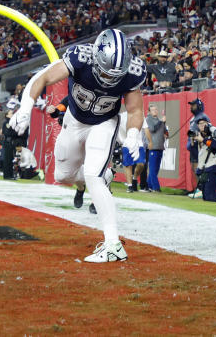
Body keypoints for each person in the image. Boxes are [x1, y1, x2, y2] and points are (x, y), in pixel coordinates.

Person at [10, 28, 146, 262]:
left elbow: (134, 110)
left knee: (94, 174)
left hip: (104, 122)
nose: (111, 79)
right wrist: (25, 107)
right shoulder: (80, 56)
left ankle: (113, 245)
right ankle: (101, 177)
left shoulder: (134, 71)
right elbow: (42, 77)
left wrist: (133, 133)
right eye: (107, 72)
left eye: (116, 75)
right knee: (63, 176)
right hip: (74, 120)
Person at [194, 117, 216, 202]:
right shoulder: (198, 136)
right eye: (200, 124)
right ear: (198, 126)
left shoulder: (214, 133)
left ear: (208, 124)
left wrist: (203, 140)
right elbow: (191, 150)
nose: (202, 125)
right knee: (205, 196)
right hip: (204, 169)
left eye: (204, 123)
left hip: (212, 167)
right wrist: (193, 141)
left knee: (210, 196)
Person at [187, 99, 210, 196]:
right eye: (191, 105)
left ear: (199, 106)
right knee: (194, 167)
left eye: (193, 105)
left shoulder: (202, 117)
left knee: (198, 168)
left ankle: (201, 189)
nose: (191, 107)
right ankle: (199, 189)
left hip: (199, 146)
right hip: (193, 146)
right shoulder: (194, 118)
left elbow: (206, 131)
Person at [145, 104, 167, 192]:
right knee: (153, 168)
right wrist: (162, 122)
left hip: (160, 146)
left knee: (155, 168)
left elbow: (163, 129)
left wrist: (166, 133)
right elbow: (152, 129)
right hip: (153, 146)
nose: (155, 111)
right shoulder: (148, 119)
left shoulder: (158, 120)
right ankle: (156, 187)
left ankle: (149, 185)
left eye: (156, 109)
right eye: (153, 110)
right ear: (149, 112)